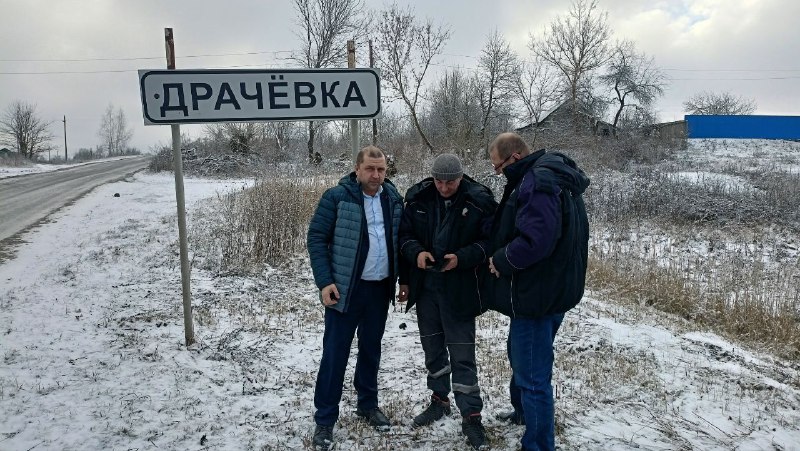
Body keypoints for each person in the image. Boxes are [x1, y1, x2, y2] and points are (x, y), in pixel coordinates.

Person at [486, 133, 590, 451]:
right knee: (520, 356)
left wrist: (501, 260)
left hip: (538, 294)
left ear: (515, 158)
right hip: (554, 287)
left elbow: (536, 241)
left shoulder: (538, 182)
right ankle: (522, 413)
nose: (499, 173)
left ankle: (539, 444)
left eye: (499, 167)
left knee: (532, 374)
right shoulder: (554, 175)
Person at [306, 145, 409, 451]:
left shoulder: (394, 199)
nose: (376, 175)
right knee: (335, 353)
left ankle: (367, 404)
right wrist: (325, 282)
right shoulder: (337, 197)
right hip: (346, 290)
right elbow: (316, 238)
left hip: (379, 289)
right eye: (370, 169)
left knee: (371, 349)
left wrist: (404, 279)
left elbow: (400, 241)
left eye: (381, 169)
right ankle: (325, 418)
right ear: (357, 169)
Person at [399, 153, 497, 450]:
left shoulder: (479, 200)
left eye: (450, 182)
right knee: (432, 350)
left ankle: (471, 416)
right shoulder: (418, 198)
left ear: (461, 177)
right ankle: (439, 401)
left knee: (462, 354)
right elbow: (403, 236)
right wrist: (416, 254)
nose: (443, 187)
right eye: (438, 181)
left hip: (460, 290)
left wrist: (462, 258)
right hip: (426, 288)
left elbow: (491, 241)